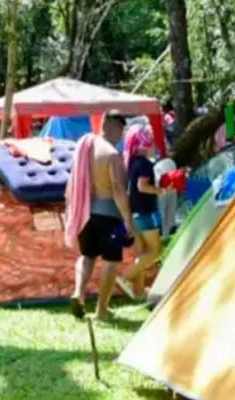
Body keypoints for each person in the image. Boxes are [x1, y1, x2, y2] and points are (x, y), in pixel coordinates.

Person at [68, 111, 139, 321]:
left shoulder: (85, 148)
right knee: (111, 260)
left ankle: (78, 293)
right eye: (120, 128)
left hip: (85, 211)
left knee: (87, 255)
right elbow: (118, 189)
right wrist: (128, 220)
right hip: (109, 215)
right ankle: (102, 310)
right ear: (109, 126)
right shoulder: (112, 155)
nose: (121, 134)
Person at [116, 123, 165, 300]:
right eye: (151, 141)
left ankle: (138, 292)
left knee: (142, 252)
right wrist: (160, 190)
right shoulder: (145, 164)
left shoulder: (132, 163)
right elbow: (142, 186)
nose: (154, 145)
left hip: (134, 213)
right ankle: (125, 278)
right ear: (143, 144)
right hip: (145, 212)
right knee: (155, 251)